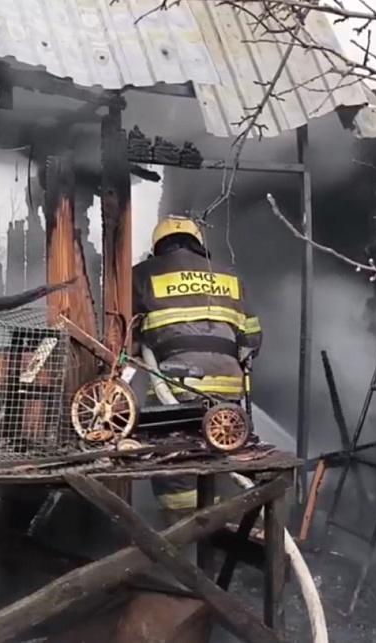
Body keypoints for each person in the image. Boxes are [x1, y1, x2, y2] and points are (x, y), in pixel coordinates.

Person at [132, 214, 262, 523]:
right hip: (229, 393)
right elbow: (253, 338)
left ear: (158, 247)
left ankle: (185, 536)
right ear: (199, 244)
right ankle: (220, 526)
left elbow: (121, 331)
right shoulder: (228, 277)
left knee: (175, 463)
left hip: (177, 389)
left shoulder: (142, 275)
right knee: (219, 456)